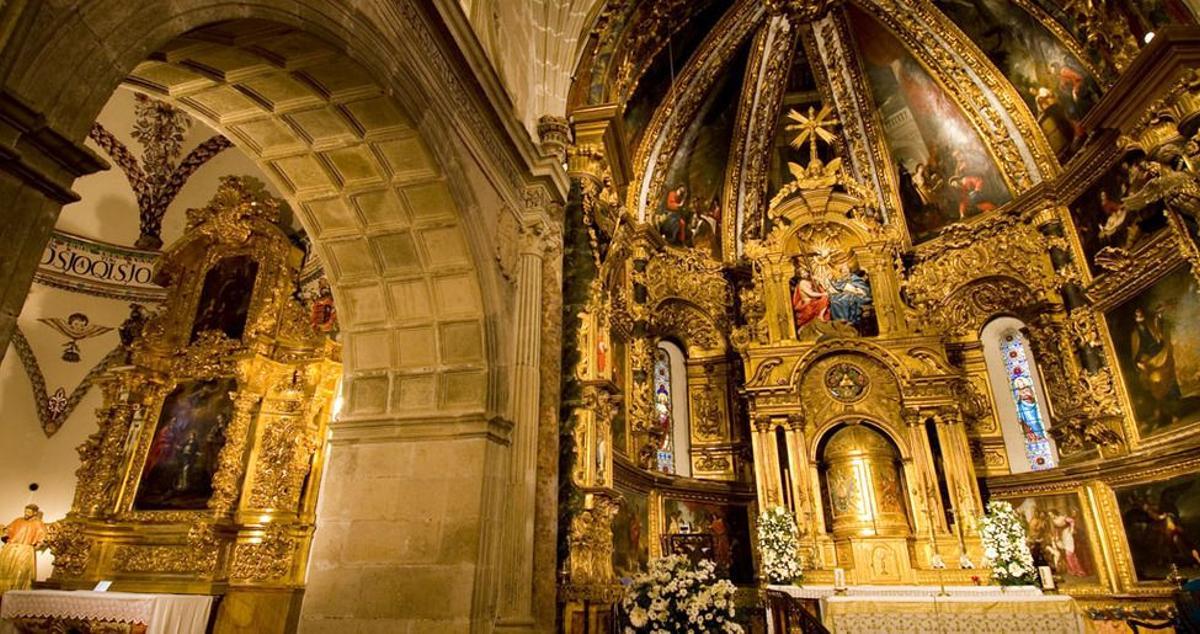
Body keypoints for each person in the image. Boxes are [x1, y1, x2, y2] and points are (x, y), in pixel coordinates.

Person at [0, 505, 49, 595]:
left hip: (24, 551)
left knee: (20, 573)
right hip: (10, 549)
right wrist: (4, 531)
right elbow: (8, 531)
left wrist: (36, 545)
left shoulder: (38, 523)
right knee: (5, 571)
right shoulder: (18, 520)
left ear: (35, 513)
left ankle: (15, 594)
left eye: (29, 512)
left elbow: (43, 538)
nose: (26, 513)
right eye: (25, 511)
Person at [790, 259, 830, 334]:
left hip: (813, 301)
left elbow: (821, 288)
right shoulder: (802, 283)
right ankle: (820, 316)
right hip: (808, 304)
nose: (804, 274)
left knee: (826, 299)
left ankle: (821, 316)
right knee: (824, 299)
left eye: (804, 272)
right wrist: (823, 294)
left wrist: (818, 281)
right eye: (802, 273)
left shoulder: (810, 281)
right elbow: (811, 294)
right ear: (799, 275)